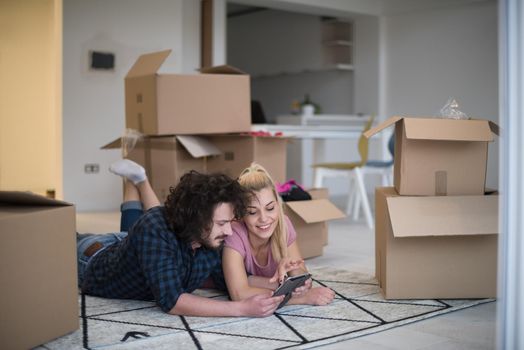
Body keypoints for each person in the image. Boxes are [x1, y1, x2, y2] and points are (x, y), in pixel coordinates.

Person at [77, 159, 285, 317]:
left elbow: (236, 278)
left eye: (230, 222)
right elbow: (172, 301)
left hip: (129, 247)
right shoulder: (154, 228)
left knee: (134, 233)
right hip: (92, 257)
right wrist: (240, 309)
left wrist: (281, 284)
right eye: (222, 223)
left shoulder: (210, 239)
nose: (230, 232)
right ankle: (137, 181)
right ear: (198, 219)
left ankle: (136, 181)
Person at [222, 163, 335, 306]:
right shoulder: (235, 232)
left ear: (278, 204)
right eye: (252, 212)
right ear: (241, 214)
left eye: (270, 208)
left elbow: (303, 280)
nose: (263, 218)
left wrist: (293, 269)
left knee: (260, 281)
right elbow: (239, 293)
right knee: (248, 281)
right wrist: (300, 299)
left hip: (254, 280)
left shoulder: (284, 224)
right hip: (215, 280)